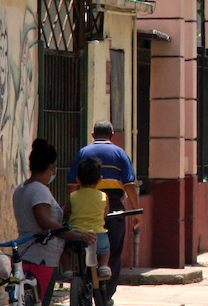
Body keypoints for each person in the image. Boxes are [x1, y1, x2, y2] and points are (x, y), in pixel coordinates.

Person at [13, 139, 96, 305]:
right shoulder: (40, 190)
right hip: (40, 259)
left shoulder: (22, 188)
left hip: (25, 255)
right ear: (52, 167)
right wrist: (75, 235)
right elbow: (45, 222)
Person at [68, 120, 140, 306]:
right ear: (112, 135)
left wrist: (74, 205)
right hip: (113, 206)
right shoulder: (120, 153)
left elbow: (72, 186)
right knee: (112, 250)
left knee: (79, 245)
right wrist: (136, 211)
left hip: (84, 203)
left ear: (93, 134)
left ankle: (82, 280)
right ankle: (106, 294)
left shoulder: (83, 153)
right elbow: (129, 185)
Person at [68, 157, 111, 279]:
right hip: (98, 235)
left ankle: (67, 269)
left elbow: (68, 211)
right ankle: (103, 266)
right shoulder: (103, 196)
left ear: (78, 180)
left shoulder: (73, 196)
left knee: (65, 247)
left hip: (76, 234)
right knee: (105, 249)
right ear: (100, 179)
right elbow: (105, 213)